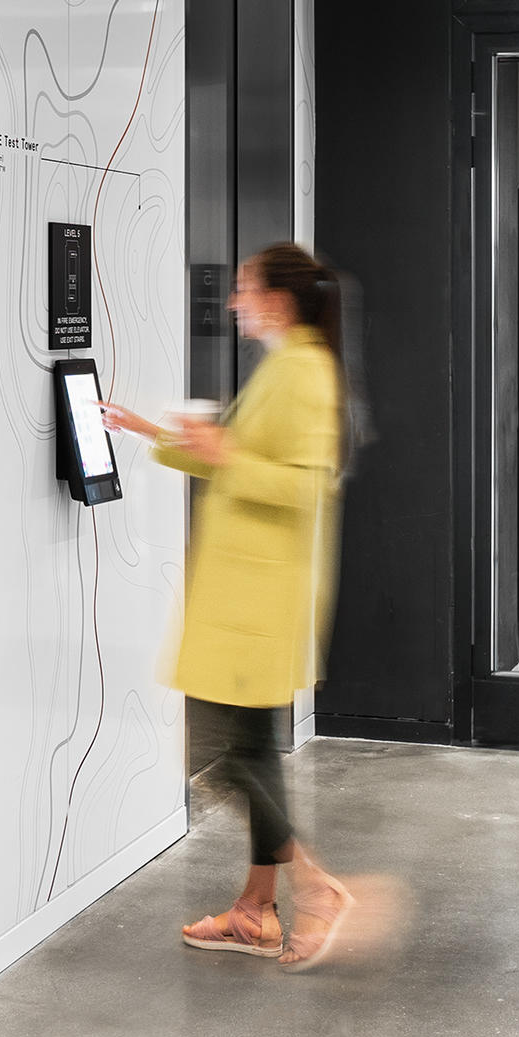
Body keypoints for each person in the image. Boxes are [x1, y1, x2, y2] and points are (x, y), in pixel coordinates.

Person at [105, 241, 354, 969]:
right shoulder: (284, 364)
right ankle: (255, 912)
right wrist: (150, 431)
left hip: (260, 600)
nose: (233, 300)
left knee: (218, 754)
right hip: (246, 595)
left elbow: (301, 486)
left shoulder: (305, 371)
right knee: (250, 751)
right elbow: (235, 456)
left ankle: (316, 888)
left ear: (277, 299)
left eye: (245, 288)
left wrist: (223, 453)